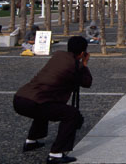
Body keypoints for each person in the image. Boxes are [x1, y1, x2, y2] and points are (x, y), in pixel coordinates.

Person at [14, 36, 92, 164]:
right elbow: (87, 82)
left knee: (44, 107)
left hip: (21, 98)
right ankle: (56, 154)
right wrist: (84, 64)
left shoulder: (58, 56)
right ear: (83, 53)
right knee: (71, 115)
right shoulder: (74, 65)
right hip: (34, 102)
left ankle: (31, 142)